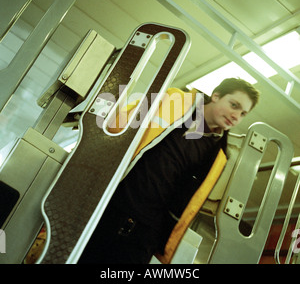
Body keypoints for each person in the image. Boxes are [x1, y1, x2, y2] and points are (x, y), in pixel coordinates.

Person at [78, 77, 260, 264]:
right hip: (109, 206)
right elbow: (120, 124)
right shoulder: (173, 101)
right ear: (216, 96)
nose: (236, 115)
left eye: (243, 113)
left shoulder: (219, 155)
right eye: (234, 105)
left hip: (144, 234)